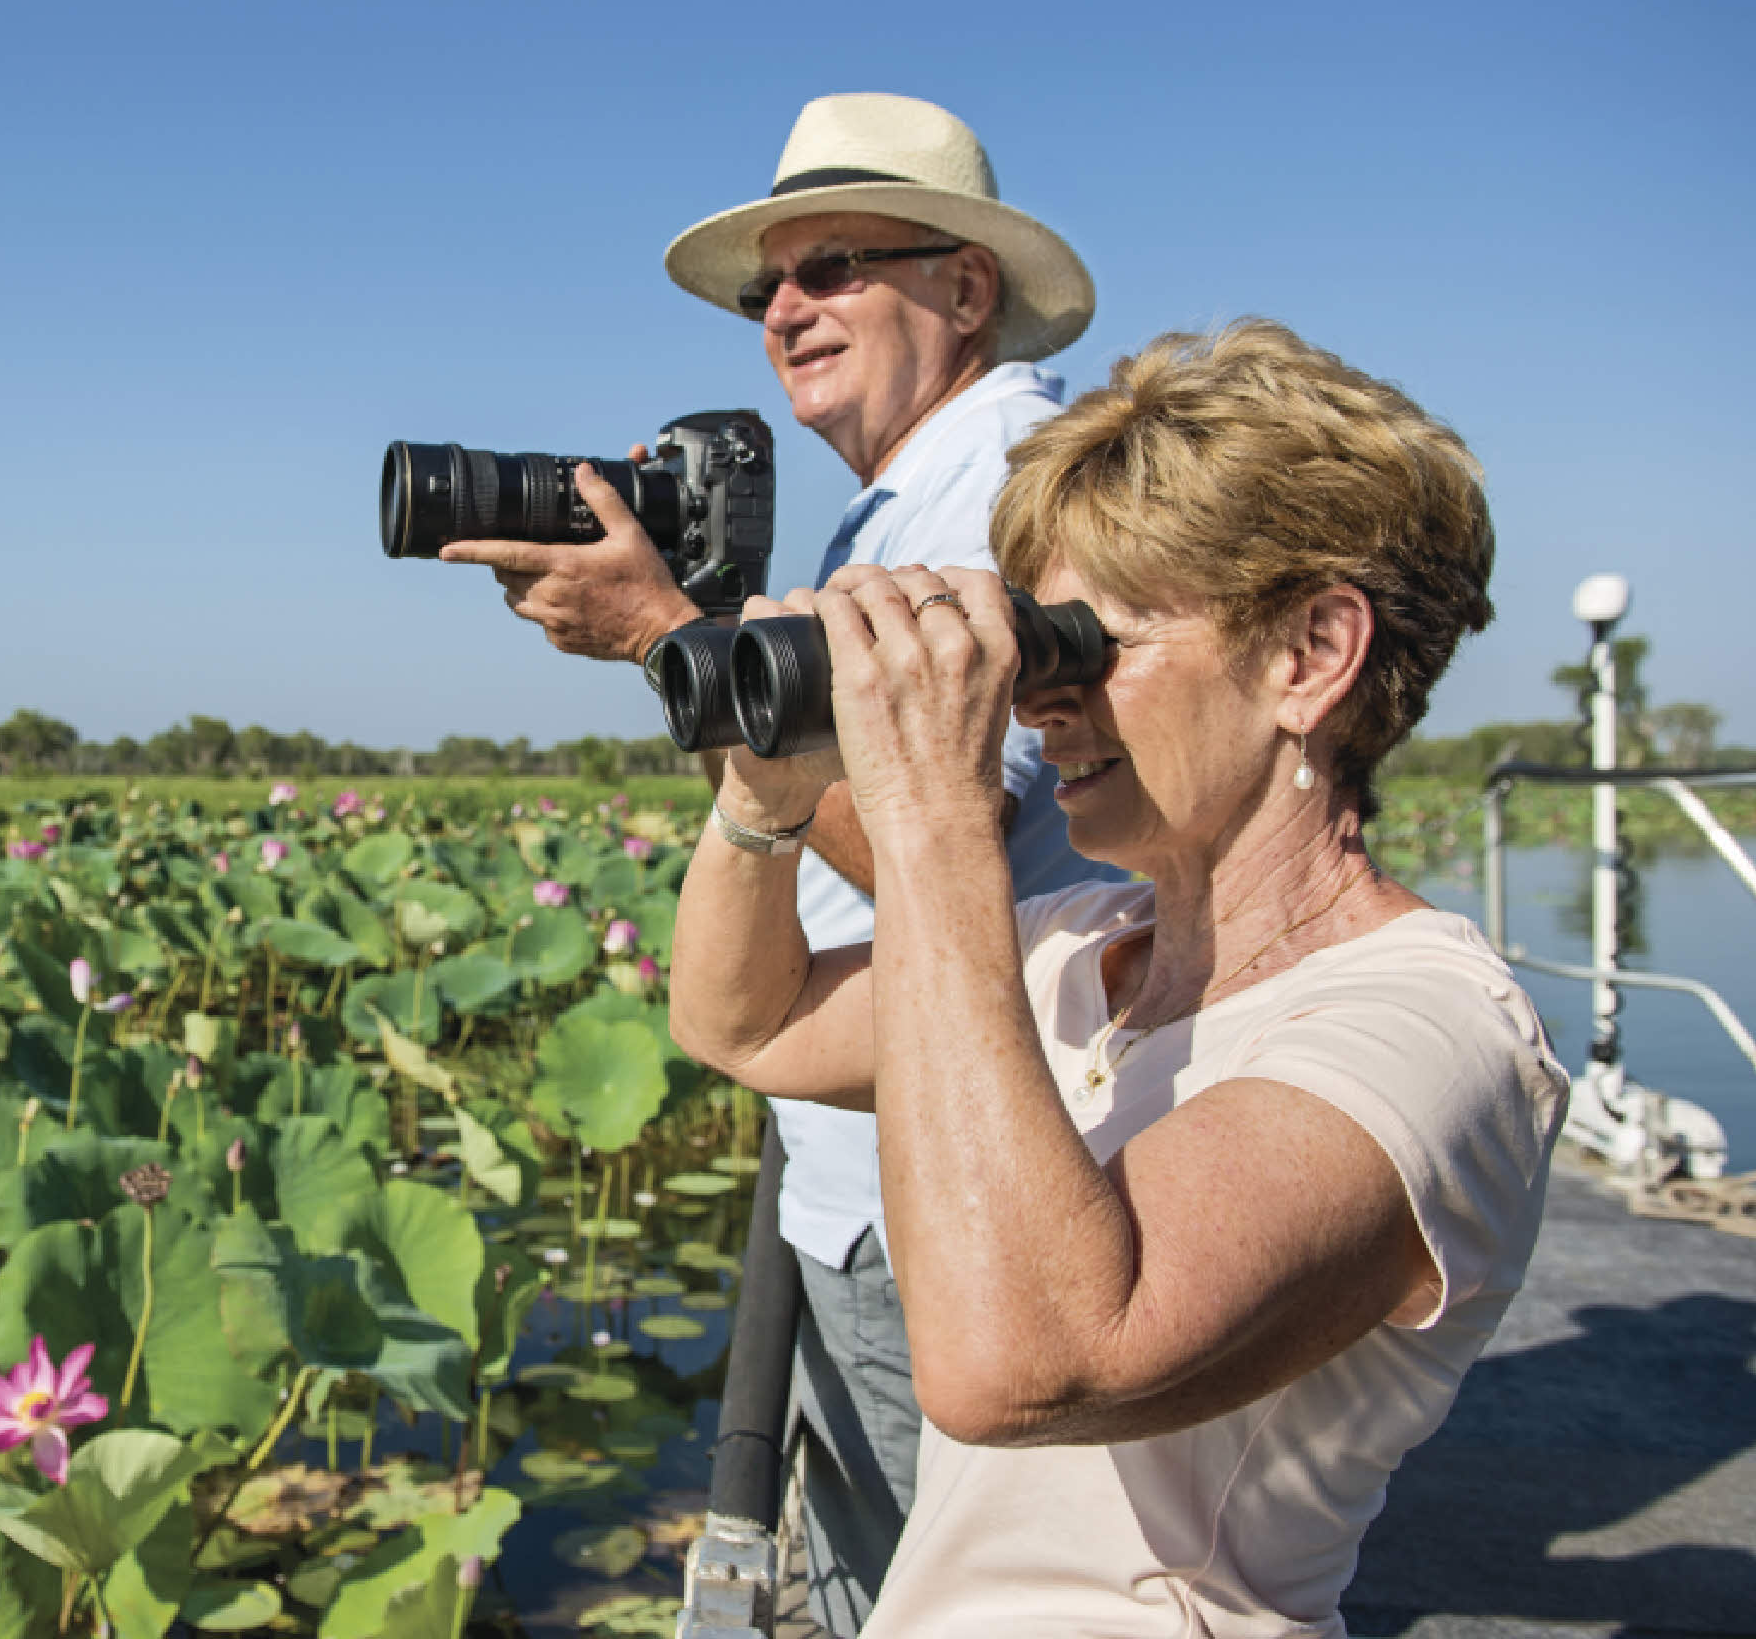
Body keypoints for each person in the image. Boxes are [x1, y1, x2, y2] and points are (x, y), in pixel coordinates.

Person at [666, 319, 1568, 1635]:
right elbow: (741, 1024)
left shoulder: (1429, 1030)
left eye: (1088, 648)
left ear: (1310, 654)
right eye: (1039, 649)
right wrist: (771, 783)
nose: (1041, 704)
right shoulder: (1080, 946)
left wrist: (934, 816)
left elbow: (1017, 1366)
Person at [440, 92, 1110, 1630]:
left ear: (963, 287)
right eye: (768, 288)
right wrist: (691, 645)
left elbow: (967, 877)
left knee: (928, 1594)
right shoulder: (895, 507)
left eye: (833, 269)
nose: (785, 311)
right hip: (863, 1155)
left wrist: (671, 640)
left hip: (924, 1184)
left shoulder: (996, 493)